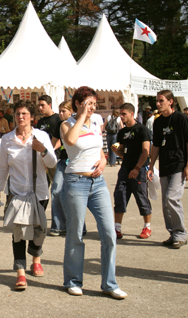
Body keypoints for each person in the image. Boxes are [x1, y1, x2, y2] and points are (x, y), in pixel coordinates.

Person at [60, 86, 127, 299]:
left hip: (97, 184)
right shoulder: (66, 124)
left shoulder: (98, 121)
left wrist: (104, 159)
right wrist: (80, 116)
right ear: (78, 103)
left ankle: (109, 284)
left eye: (94, 104)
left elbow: (100, 148)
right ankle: (73, 281)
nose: (92, 107)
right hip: (76, 181)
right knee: (76, 233)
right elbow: (70, 141)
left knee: (108, 232)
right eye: (88, 103)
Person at [0, 100, 56, 291]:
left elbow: (52, 163)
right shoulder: (7, 139)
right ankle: (20, 272)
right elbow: (3, 166)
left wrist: (43, 150)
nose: (21, 117)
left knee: (39, 230)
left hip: (39, 192)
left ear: (32, 117)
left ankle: (36, 259)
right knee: (18, 233)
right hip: (17, 193)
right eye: (18, 114)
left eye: (25, 114)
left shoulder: (42, 136)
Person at [147, 90, 188, 249]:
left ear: (171, 101)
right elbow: (155, 146)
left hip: (179, 164)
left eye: (161, 101)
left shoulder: (180, 118)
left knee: (171, 198)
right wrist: (151, 165)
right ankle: (173, 233)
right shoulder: (158, 122)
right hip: (165, 165)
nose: (158, 104)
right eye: (157, 101)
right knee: (165, 203)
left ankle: (181, 233)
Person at [111, 103, 152, 240]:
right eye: (120, 114)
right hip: (125, 169)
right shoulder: (122, 132)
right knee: (120, 196)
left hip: (138, 169)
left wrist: (137, 168)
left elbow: (146, 152)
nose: (121, 117)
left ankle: (147, 226)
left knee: (141, 197)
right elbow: (123, 154)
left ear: (132, 114)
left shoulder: (142, 130)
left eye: (124, 114)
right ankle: (117, 228)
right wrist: (116, 151)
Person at [48, 100, 72, 236]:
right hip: (62, 160)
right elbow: (55, 142)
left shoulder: (76, 124)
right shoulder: (60, 124)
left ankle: (78, 227)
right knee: (56, 190)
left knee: (71, 195)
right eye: (60, 110)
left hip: (75, 162)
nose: (60, 114)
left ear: (71, 111)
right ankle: (58, 225)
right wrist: (47, 154)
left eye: (64, 111)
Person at [35, 94, 62, 183]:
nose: (40, 108)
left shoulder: (58, 118)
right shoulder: (40, 122)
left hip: (56, 157)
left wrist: (51, 149)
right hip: (43, 158)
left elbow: (62, 138)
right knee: (43, 184)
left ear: (49, 105)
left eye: (43, 105)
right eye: (39, 105)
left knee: (57, 185)